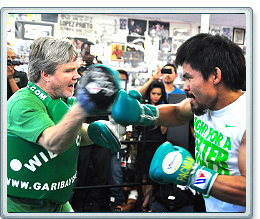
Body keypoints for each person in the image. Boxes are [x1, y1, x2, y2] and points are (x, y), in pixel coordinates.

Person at [112, 33, 246, 212]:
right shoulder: (203, 103)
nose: (185, 87)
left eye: (189, 78)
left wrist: (192, 175)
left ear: (215, 75)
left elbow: (251, 189)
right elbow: (177, 112)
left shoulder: (247, 119)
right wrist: (141, 113)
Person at [7, 36, 121, 212]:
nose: (77, 76)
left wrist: (92, 131)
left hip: (58, 203)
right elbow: (53, 142)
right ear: (45, 74)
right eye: (68, 71)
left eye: (77, 69)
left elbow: (71, 131)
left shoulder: (63, 100)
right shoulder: (23, 103)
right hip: (22, 208)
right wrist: (83, 106)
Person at [135, 80, 168, 212]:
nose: (155, 96)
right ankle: (143, 202)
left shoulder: (165, 109)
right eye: (153, 93)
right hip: (143, 145)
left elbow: (164, 131)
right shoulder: (143, 107)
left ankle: (147, 203)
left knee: (152, 176)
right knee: (142, 175)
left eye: (158, 94)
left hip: (156, 145)